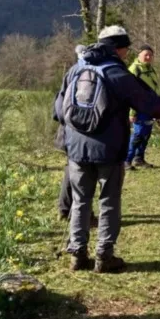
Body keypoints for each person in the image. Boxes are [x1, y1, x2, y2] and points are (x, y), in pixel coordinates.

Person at [54, 25, 160, 273]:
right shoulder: (117, 74)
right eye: (126, 49)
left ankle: (77, 254)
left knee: (80, 200)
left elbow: (58, 110)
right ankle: (104, 257)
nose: (127, 54)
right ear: (119, 49)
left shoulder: (76, 69)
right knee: (109, 200)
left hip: (75, 148)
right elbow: (152, 106)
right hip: (108, 150)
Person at [57, 44, 97, 227]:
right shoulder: (84, 72)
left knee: (72, 171)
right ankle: (80, 214)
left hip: (68, 130)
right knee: (81, 175)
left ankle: (64, 209)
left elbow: (58, 107)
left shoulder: (72, 72)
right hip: (76, 133)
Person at [125, 44, 160, 170]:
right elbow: (130, 93)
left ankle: (139, 159)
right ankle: (127, 160)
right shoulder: (134, 69)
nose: (148, 57)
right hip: (138, 108)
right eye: (146, 54)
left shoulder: (150, 69)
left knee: (146, 134)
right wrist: (132, 112)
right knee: (138, 134)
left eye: (150, 55)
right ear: (139, 55)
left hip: (149, 108)